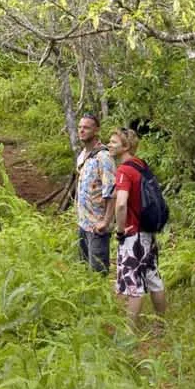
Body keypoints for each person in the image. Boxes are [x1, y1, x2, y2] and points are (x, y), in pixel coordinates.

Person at [109, 127, 167, 324]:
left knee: (133, 284)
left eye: (114, 142)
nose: (109, 145)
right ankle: (161, 325)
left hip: (133, 234)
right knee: (153, 278)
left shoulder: (124, 170)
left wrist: (120, 230)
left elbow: (121, 203)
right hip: (147, 232)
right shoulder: (141, 165)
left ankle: (129, 332)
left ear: (125, 146)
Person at [75, 113, 115, 273]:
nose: (81, 130)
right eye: (80, 127)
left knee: (98, 273)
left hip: (97, 226)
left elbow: (111, 191)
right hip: (83, 223)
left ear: (96, 130)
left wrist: (105, 222)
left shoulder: (104, 157)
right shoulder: (82, 156)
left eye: (86, 127)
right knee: (84, 272)